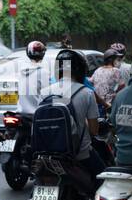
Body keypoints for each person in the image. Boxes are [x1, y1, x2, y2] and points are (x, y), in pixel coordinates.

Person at [37, 48, 101, 186]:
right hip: (79, 154)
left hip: (47, 154)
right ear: (79, 69)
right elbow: (94, 131)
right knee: (102, 179)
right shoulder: (87, 93)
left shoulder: (45, 92)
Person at [17, 40, 53, 117]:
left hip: (20, 112)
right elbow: (48, 96)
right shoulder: (43, 72)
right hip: (36, 114)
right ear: (43, 54)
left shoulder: (21, 71)